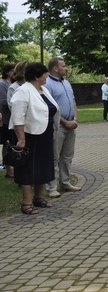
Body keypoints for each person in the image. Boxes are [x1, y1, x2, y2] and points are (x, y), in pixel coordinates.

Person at [9, 62, 60, 215]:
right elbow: (17, 117)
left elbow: (49, 111)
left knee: (43, 167)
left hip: (44, 134)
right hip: (29, 135)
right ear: (37, 76)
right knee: (28, 169)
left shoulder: (43, 90)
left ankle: (39, 198)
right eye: (45, 74)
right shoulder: (23, 91)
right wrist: (21, 139)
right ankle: (26, 203)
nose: (47, 76)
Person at [44, 57, 80, 198]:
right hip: (58, 126)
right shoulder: (47, 84)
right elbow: (49, 108)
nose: (66, 68)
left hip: (71, 124)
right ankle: (51, 187)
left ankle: (65, 183)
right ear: (55, 68)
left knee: (67, 156)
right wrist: (65, 122)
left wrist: (75, 118)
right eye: (63, 66)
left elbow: (73, 101)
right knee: (54, 156)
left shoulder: (66, 83)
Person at [0, 62, 15, 176]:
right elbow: (4, 102)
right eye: (13, 70)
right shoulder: (2, 84)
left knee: (11, 143)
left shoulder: (14, 83)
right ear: (7, 72)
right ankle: (8, 169)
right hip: (5, 119)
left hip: (13, 118)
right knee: (7, 143)